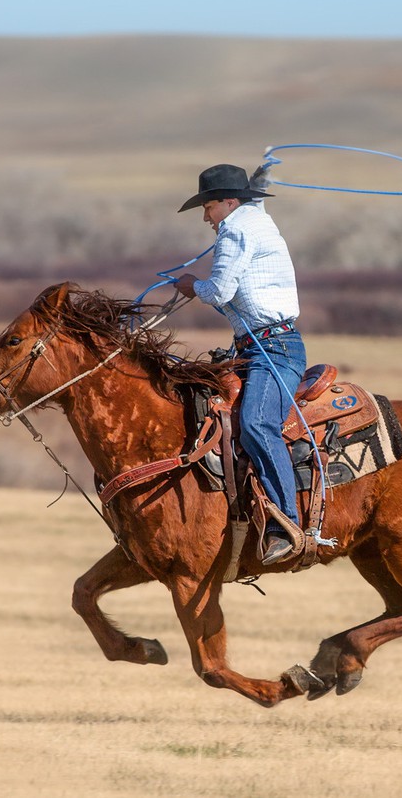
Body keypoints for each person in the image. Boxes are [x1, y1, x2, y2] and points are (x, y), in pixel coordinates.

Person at [174, 163, 307, 565]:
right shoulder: (255, 218)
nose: (205, 217)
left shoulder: (236, 229)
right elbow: (257, 205)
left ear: (230, 202)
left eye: (209, 206)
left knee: (256, 424)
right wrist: (261, 179)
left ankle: (286, 526)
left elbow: (220, 291)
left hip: (273, 349)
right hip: (258, 346)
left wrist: (190, 286)